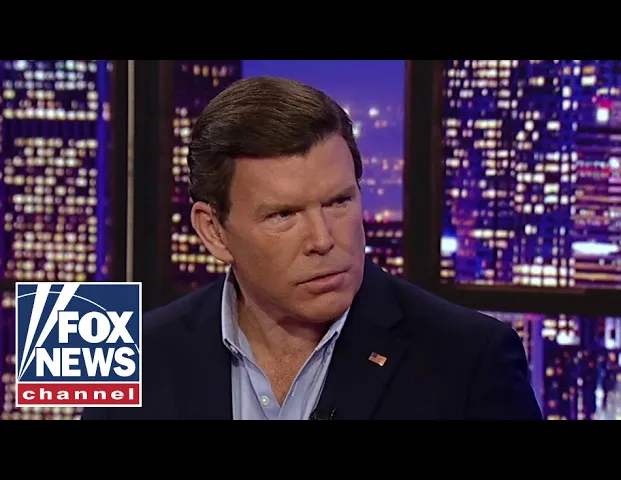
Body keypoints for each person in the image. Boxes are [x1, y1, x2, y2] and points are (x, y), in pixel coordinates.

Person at [82, 76, 543, 420]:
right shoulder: (122, 352)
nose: (323, 239)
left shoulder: (470, 357)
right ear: (214, 231)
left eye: (339, 202)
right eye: (283, 214)